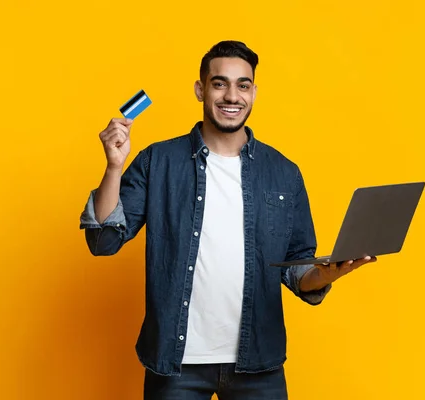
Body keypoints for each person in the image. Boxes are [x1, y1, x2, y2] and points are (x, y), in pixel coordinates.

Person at [80, 40, 377, 400]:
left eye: (243, 85)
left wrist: (327, 274)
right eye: (220, 83)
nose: (231, 96)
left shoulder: (283, 173)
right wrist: (114, 166)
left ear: (254, 92)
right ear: (200, 89)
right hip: (176, 365)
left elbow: (298, 271)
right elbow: (103, 241)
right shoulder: (158, 161)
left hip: (258, 364)